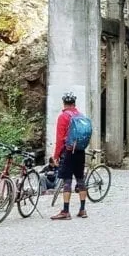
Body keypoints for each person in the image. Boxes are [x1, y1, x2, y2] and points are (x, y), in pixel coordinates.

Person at [50, 92, 88, 220]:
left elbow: (60, 138)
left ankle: (65, 211)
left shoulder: (63, 116)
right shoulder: (80, 115)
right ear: (74, 103)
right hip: (80, 151)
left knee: (67, 180)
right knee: (80, 179)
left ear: (64, 103)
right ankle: (82, 210)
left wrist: (56, 155)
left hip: (68, 151)